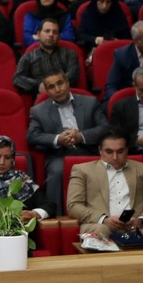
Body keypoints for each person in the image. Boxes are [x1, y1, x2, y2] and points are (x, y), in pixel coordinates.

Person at [26, 72, 107, 212]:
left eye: (60, 83)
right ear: (47, 90)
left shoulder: (90, 102)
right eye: (52, 87)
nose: (57, 90)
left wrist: (81, 136)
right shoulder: (38, 111)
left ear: (68, 83)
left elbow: (105, 128)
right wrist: (58, 139)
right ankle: (56, 215)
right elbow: (32, 136)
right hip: (59, 155)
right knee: (57, 172)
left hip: (89, 151)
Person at [66, 131, 143, 240]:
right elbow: (73, 205)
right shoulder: (82, 170)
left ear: (127, 150)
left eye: (120, 151)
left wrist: (142, 220)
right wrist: (103, 219)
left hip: (134, 227)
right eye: (109, 152)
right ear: (100, 150)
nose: (115, 157)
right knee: (101, 231)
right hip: (98, 225)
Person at [13, 18, 83, 97]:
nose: (51, 35)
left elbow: (73, 75)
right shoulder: (28, 57)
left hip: (67, 95)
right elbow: (17, 78)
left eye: (55, 32)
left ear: (59, 36)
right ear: (38, 34)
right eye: (47, 31)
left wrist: (51, 85)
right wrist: (38, 85)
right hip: (42, 98)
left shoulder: (69, 53)